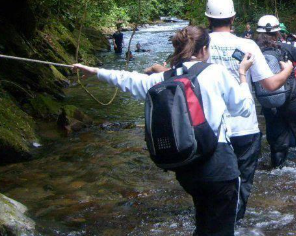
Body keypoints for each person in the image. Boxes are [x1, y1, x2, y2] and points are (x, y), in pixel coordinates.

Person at [73, 26, 255, 236]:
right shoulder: (216, 72)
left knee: (204, 222)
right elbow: (243, 108)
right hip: (218, 165)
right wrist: (242, 74)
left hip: (186, 167)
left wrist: (96, 71)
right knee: (220, 229)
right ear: (204, 49)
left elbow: (129, 80)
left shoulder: (164, 78)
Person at [203, 0, 293, 220]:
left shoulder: (200, 45)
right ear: (233, 18)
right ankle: (235, 223)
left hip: (210, 128)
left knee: (212, 185)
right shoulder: (247, 45)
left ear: (208, 19)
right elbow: (270, 85)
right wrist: (287, 71)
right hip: (244, 127)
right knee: (241, 183)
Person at [254, 15, 296, 167]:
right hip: (291, 99)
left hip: (269, 103)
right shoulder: (285, 48)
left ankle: (277, 168)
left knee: (277, 141)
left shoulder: (254, 51)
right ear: (277, 32)